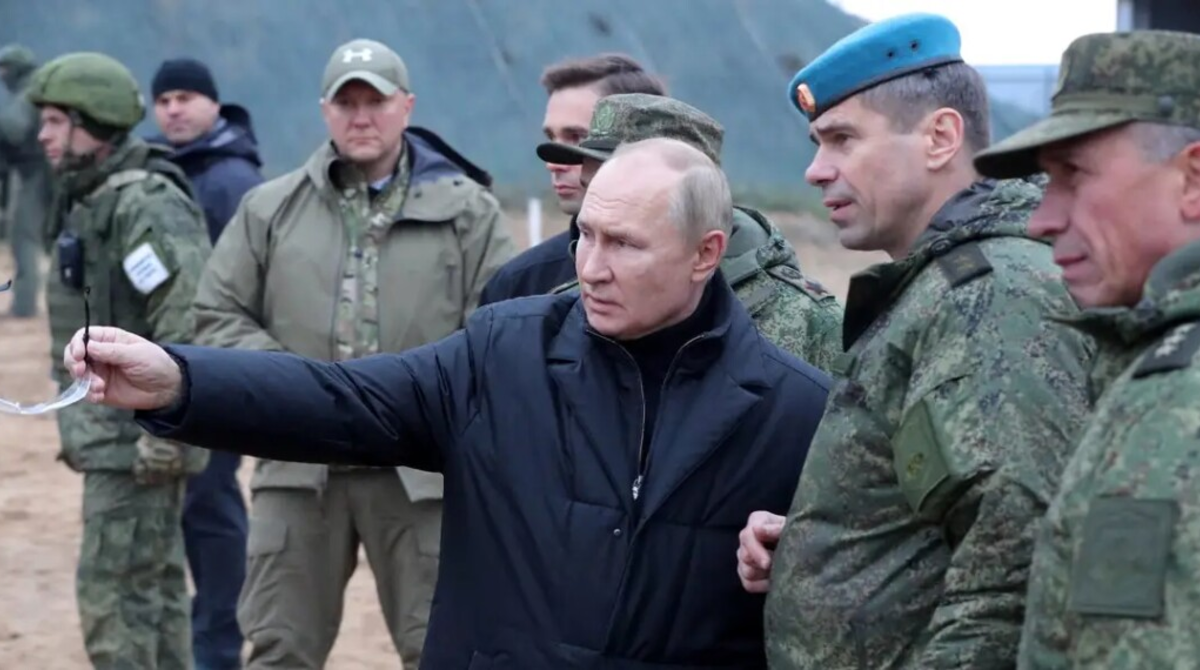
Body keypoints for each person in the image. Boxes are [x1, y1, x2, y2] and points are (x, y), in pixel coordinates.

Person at [65, 137, 831, 669]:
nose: (591, 268)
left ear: (705, 254)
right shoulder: (503, 355)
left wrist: (795, 557)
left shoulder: (796, 414)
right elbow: (340, 400)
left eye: (624, 245)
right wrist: (181, 379)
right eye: (585, 236)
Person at [736, 13, 1096, 669]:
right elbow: (946, 499)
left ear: (939, 138)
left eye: (842, 139)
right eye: (817, 143)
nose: (815, 170)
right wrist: (832, 538)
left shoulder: (989, 297)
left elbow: (1013, 568)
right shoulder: (937, 288)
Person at [190, 38, 516, 669]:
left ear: (407, 107)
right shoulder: (270, 209)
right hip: (297, 464)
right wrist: (297, 389)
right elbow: (216, 315)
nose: (361, 117)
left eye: (376, 102)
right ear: (325, 111)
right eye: (346, 104)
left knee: (445, 648)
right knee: (279, 649)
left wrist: (425, 399)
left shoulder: (468, 212)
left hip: (423, 473)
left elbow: (500, 328)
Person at [971, 29, 1200, 669]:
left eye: (1073, 175)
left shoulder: (1182, 396)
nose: (1042, 219)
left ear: (1193, 180)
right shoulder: (1153, 361)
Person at [27, 51, 213, 668]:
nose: (43, 135)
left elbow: (187, 317)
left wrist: (165, 438)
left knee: (115, 602)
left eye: (57, 121)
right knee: (151, 595)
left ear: (95, 123)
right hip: (121, 443)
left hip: (136, 445)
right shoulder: (93, 198)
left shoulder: (144, 204)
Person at [538, 92, 844, 372]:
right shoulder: (559, 315)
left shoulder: (808, 323)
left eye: (629, 189)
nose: (602, 204)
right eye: (590, 187)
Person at [149, 55, 264, 670]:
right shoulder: (161, 170)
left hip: (212, 372)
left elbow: (244, 283)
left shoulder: (231, 180)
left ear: (214, 104)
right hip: (161, 370)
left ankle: (218, 645)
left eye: (186, 98)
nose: (173, 110)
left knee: (211, 505)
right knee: (187, 508)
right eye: (164, 100)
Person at [478, 53, 665, 305]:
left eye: (577, 137)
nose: (553, 163)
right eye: (551, 137)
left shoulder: (707, 271)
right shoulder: (520, 285)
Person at [0, 44, 52, 318]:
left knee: (24, 238)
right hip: (44, 171)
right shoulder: (40, 88)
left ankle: (24, 306)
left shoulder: (29, 92)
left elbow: (13, 129)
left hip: (35, 173)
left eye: (5, 68)